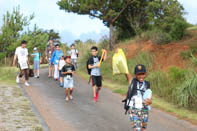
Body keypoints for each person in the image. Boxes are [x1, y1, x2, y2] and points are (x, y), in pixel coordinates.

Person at [122, 64, 152, 131]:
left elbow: (149, 98)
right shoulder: (132, 81)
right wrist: (120, 57)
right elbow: (126, 72)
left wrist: (150, 102)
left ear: (145, 74)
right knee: (137, 129)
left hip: (144, 109)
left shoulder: (147, 84)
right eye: (139, 74)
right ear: (135, 75)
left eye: (143, 74)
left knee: (143, 128)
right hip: (134, 109)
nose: (141, 76)